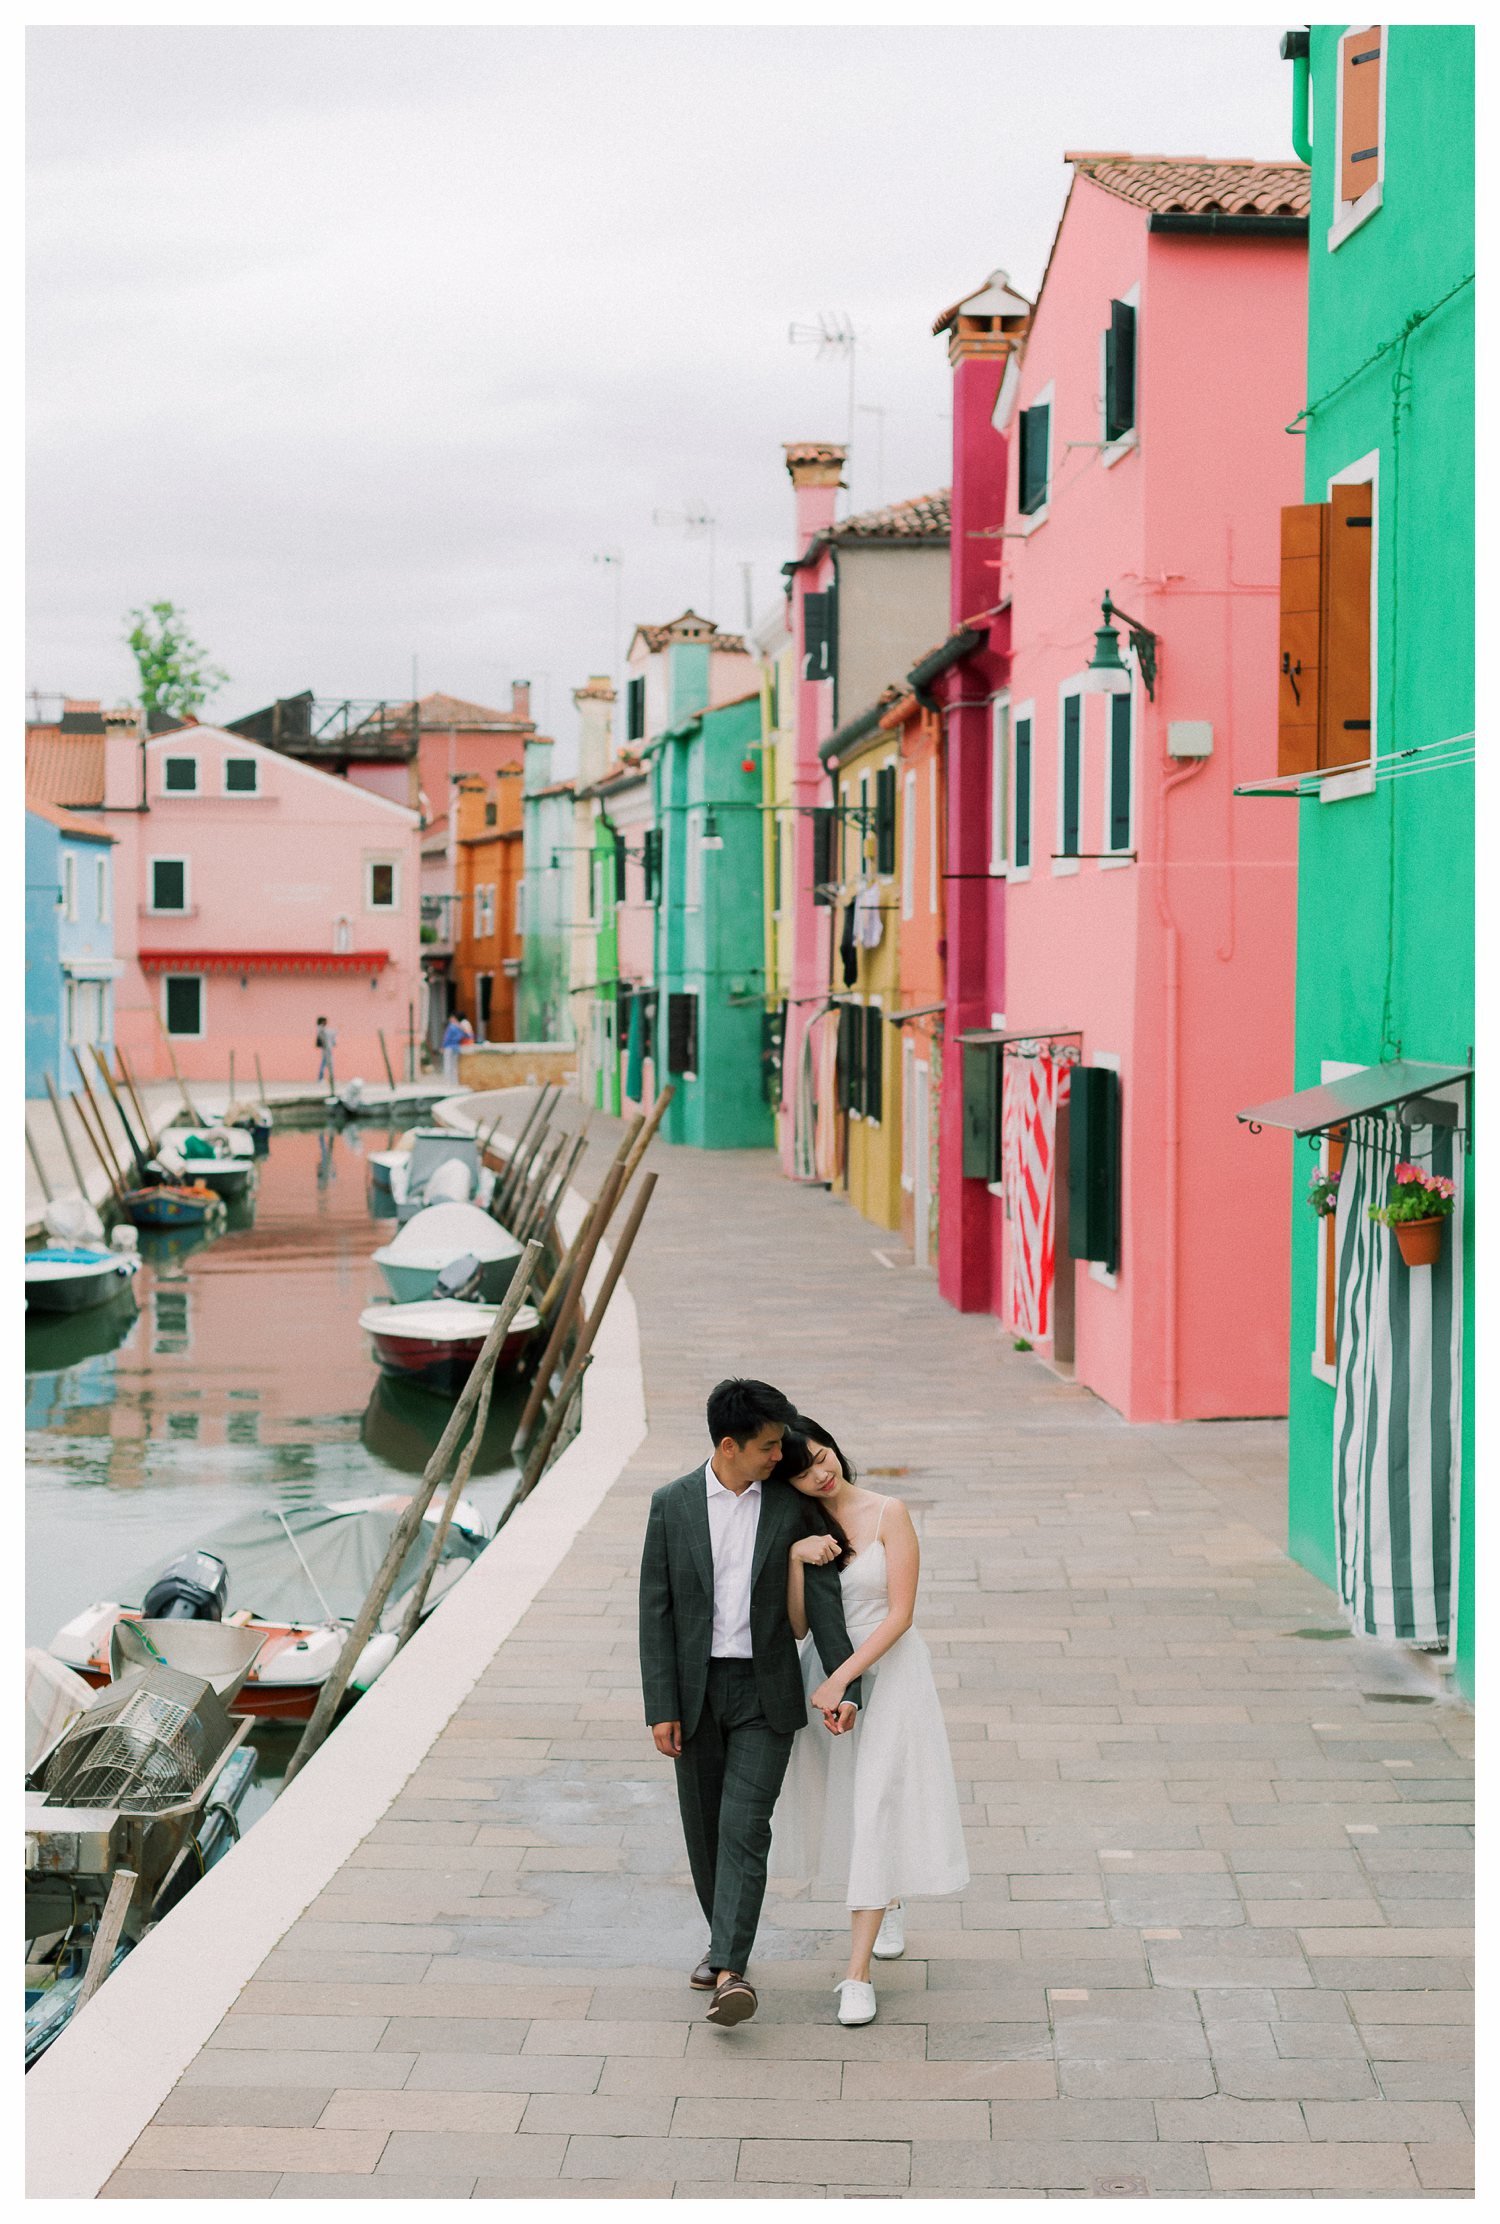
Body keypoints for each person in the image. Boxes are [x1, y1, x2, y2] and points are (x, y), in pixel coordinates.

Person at [638, 1378, 864, 2029]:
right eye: (768, 1447)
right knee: (705, 1830)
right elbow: (656, 1611)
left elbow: (822, 1602)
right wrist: (661, 1704)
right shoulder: (671, 1504)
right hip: (693, 1693)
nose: (779, 1457)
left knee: (744, 1825)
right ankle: (723, 1942)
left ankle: (731, 1970)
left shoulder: (788, 1507)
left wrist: (844, 1686)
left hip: (767, 1694)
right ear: (730, 1445)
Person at [769, 1418, 969, 2027]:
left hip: (892, 1671)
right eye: (803, 1472)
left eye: (823, 1457)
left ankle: (855, 1977)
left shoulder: (890, 1512)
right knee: (855, 1805)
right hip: (829, 1672)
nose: (820, 1474)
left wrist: (842, 1676)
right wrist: (796, 1561)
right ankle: (890, 1893)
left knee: (878, 1801)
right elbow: (800, 1625)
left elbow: (901, 1614)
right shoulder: (802, 1527)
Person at [440, 1013, 467, 1084]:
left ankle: (448, 1081)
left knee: (448, 1064)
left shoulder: (451, 1027)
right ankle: (455, 1081)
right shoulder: (460, 1027)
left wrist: (443, 1046)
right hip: (456, 1047)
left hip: (449, 1047)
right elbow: (467, 1035)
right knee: (454, 1065)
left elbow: (447, 1038)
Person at [315, 1015, 337, 1091]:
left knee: (325, 1064)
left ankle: (325, 1078)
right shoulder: (321, 1029)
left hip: (327, 1049)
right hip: (326, 1050)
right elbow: (326, 1034)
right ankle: (321, 1078)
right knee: (325, 1064)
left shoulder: (323, 1029)